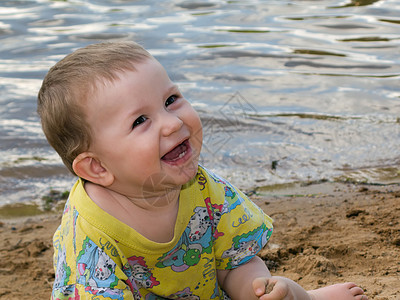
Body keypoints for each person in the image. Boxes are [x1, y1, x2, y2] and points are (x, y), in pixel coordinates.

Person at [38, 41, 368, 300]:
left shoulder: (203, 187)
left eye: (171, 100)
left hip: (207, 291)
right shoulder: (92, 236)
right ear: (96, 167)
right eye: (140, 121)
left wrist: (256, 288)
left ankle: (302, 297)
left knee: (261, 283)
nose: (172, 122)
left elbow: (233, 261)